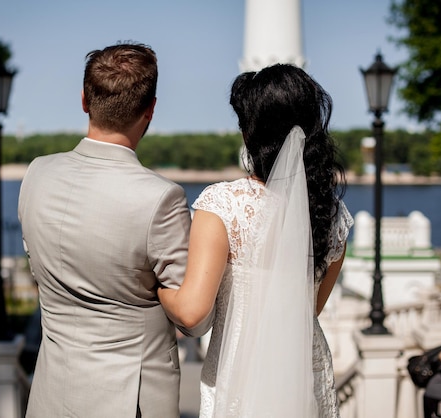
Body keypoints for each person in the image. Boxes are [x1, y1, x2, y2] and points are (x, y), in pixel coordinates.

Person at [18, 41, 212, 418]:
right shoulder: (161, 198)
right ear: (150, 110)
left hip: (50, 393)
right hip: (129, 401)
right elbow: (194, 319)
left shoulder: (36, 172)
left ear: (84, 100)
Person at [158, 63, 354, 417]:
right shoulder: (334, 215)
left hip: (240, 373)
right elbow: (310, 309)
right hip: (304, 370)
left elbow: (192, 311)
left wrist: (154, 285)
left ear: (251, 134)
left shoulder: (223, 204)